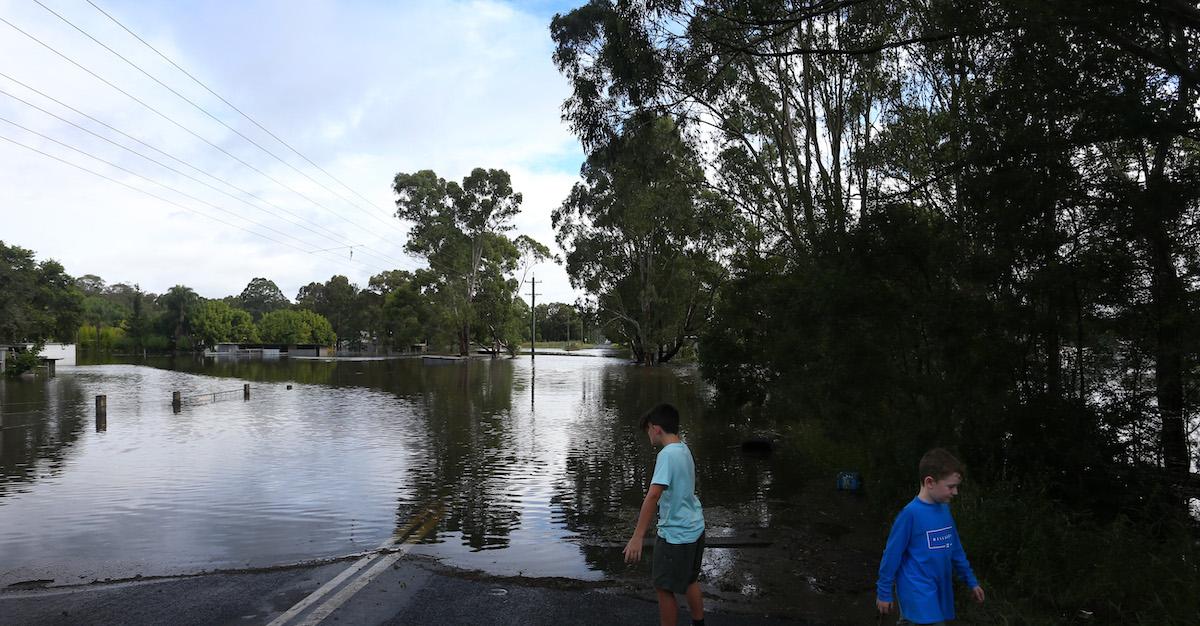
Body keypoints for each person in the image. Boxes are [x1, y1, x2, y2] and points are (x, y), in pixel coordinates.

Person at [876, 448, 985, 624]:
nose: (955, 492)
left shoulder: (944, 510)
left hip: (939, 591)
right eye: (951, 486)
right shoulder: (910, 515)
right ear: (929, 482)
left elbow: (955, 550)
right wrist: (884, 592)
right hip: (916, 592)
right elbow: (891, 555)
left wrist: (971, 581)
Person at [623, 403, 706, 626]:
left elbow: (652, 496)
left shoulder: (667, 455)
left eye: (648, 430)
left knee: (663, 588)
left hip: (676, 535)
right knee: (689, 579)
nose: (648, 435)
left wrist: (638, 536)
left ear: (655, 428)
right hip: (695, 528)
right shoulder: (683, 448)